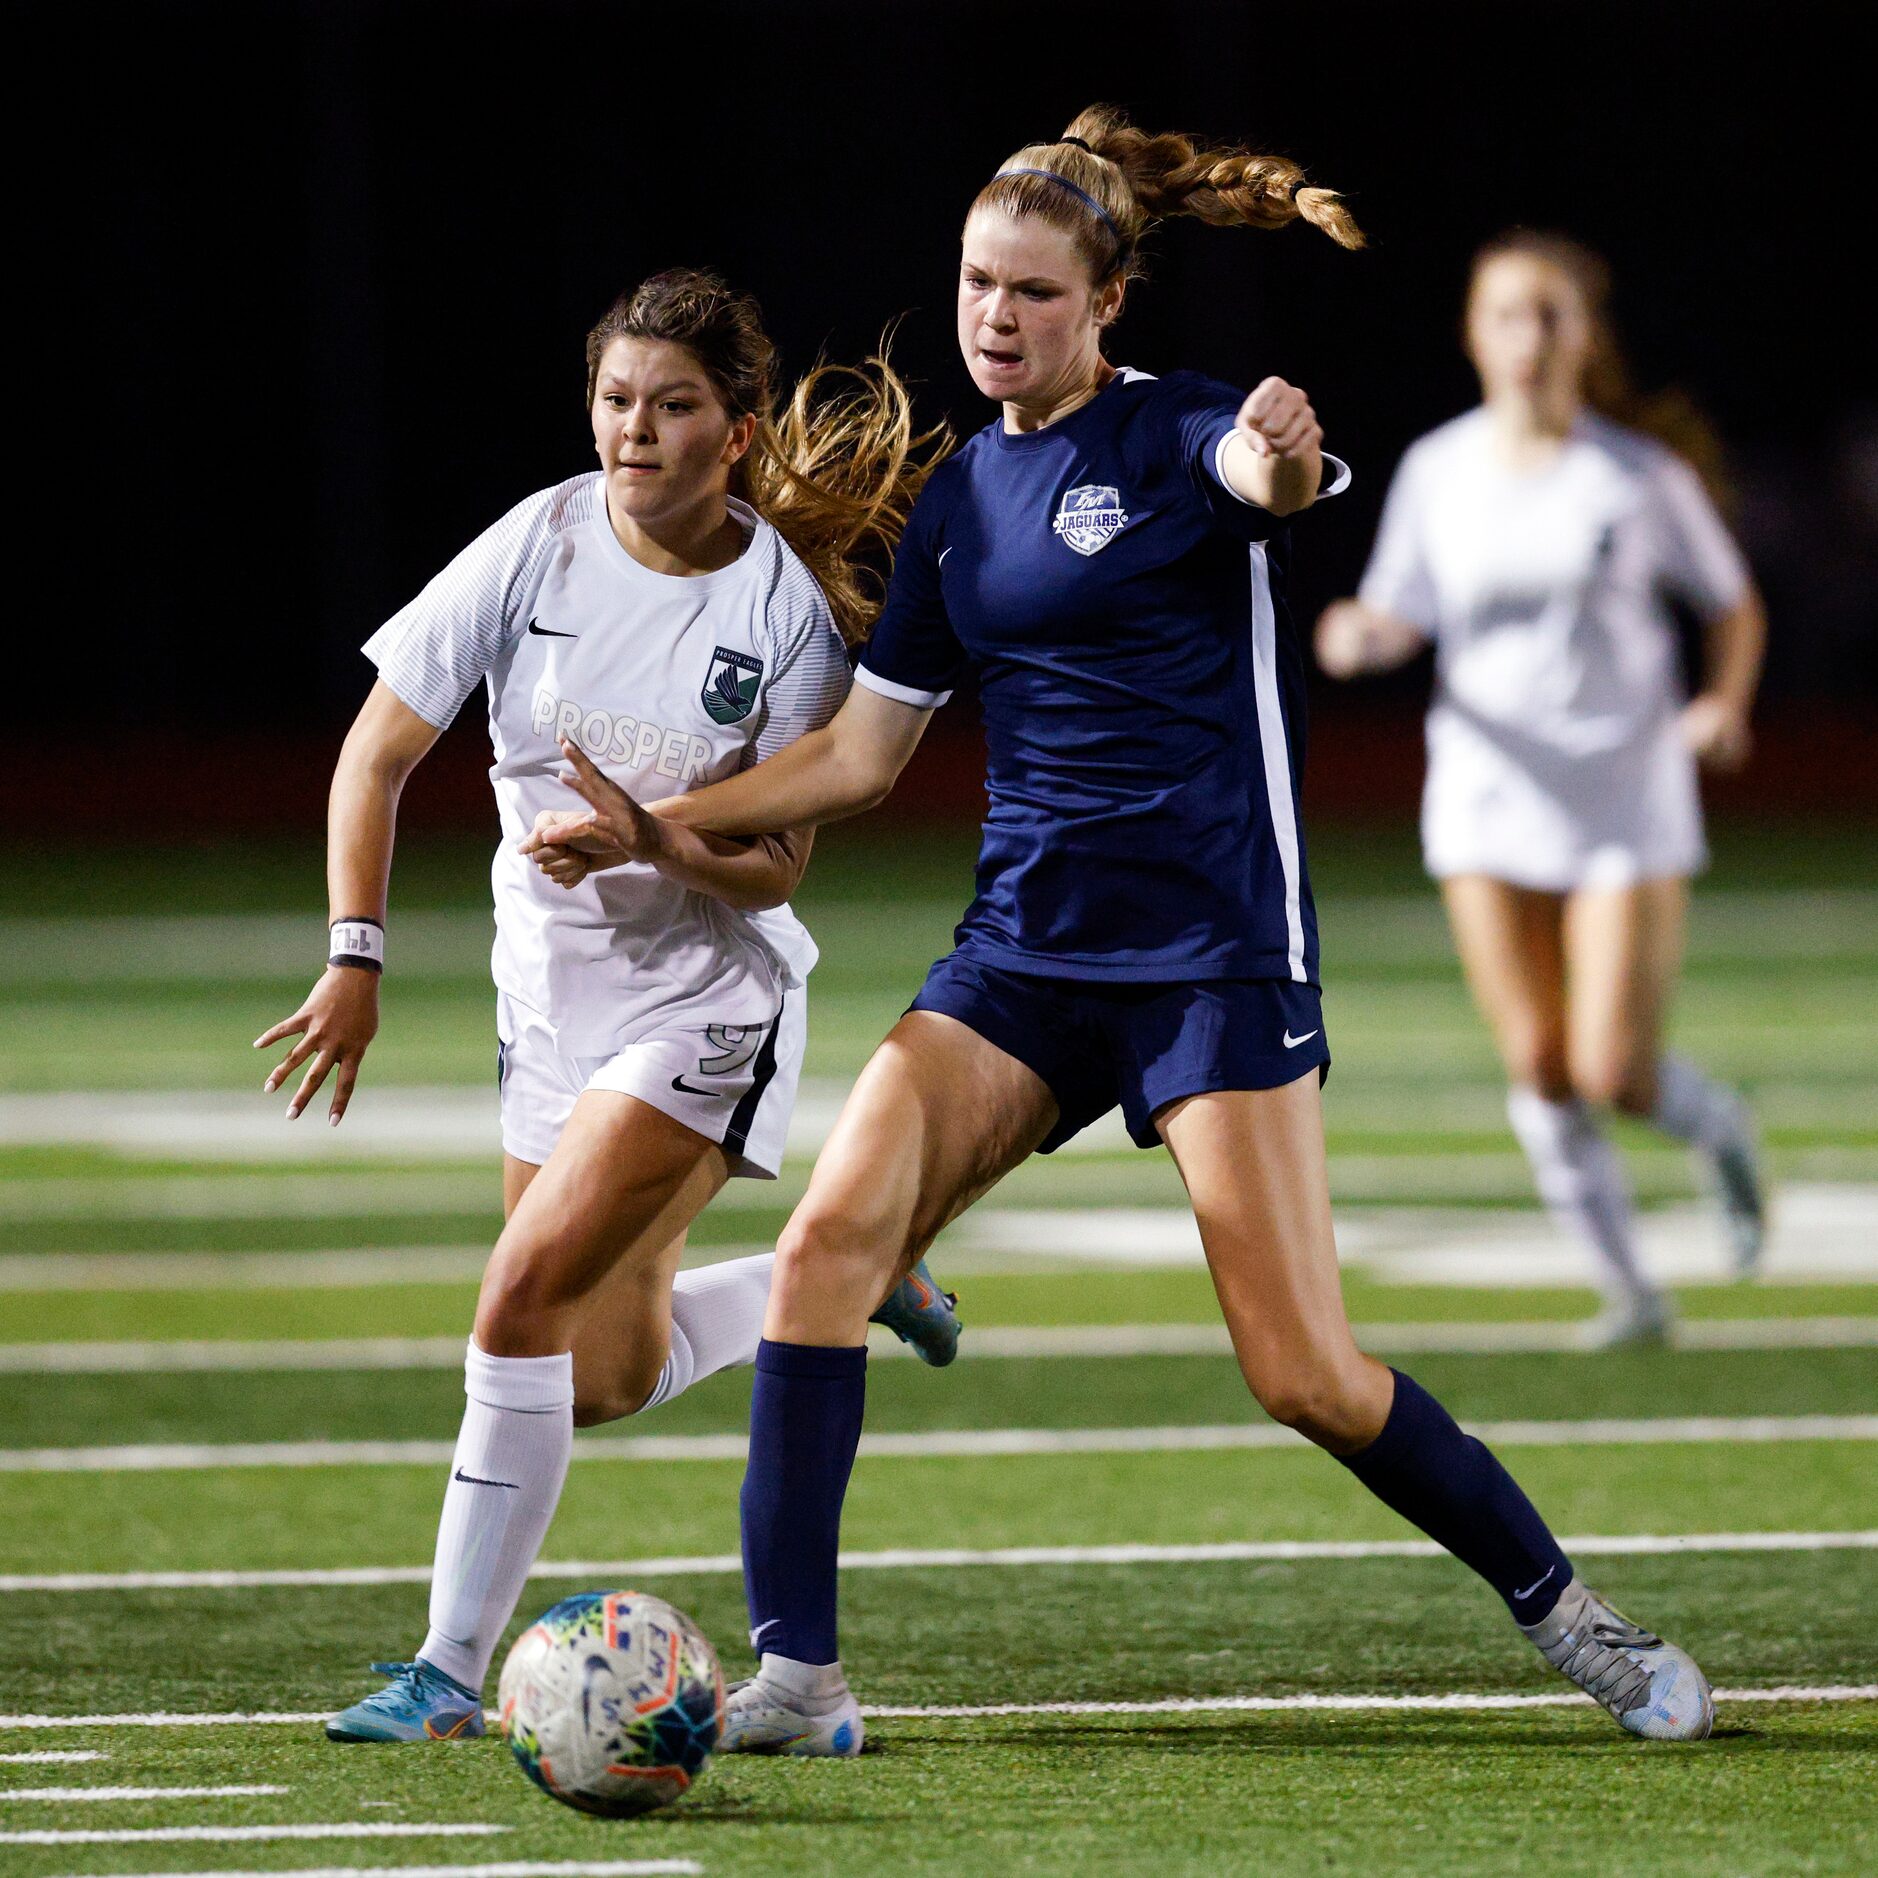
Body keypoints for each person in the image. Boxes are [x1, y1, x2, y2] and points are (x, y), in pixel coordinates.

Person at [539, 116, 1716, 1755]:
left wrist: (1286, 456)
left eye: (1029, 289)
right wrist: (679, 827)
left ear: (1103, 306)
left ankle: (1569, 1612)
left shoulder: (1189, 434)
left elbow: (1271, 480)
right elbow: (869, 754)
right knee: (819, 1256)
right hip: (1022, 952)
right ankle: (798, 1676)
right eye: (972, 283)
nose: (992, 315)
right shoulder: (960, 499)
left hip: (1210, 958)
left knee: (1302, 1370)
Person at [254, 267, 961, 1744]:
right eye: (615, 400)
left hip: (705, 999)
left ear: (740, 431)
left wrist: (654, 836)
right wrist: (354, 953)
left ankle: (446, 1672)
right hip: (548, 1007)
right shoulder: (538, 542)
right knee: (599, 1374)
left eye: (673, 405)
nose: (634, 430)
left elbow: (773, 872)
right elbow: (374, 755)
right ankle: (836, 1280)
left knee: (512, 1300)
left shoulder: (782, 617)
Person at [1316, 232, 1767, 1346]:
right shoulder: (1438, 469)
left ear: (1586, 334)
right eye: (1508, 314)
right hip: (1486, 794)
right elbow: (1400, 609)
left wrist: (1723, 702)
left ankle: (1720, 1131)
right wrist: (1358, 635)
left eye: (1552, 314)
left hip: (1625, 791)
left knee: (1615, 1066)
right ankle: (1634, 1295)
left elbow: (1731, 602)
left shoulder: (1636, 476)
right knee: (1539, 1062)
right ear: (1475, 333)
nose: (1530, 337)